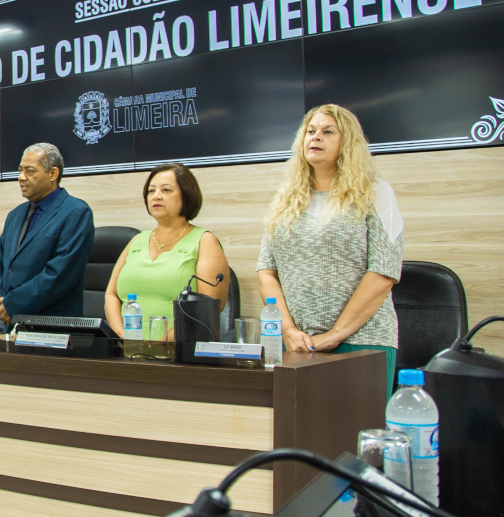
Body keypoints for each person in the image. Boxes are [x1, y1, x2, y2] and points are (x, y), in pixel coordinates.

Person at [257, 104, 403, 389]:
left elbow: (384, 271)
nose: (315, 137)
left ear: (347, 144)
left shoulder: (376, 192)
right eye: (310, 132)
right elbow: (266, 271)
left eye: (327, 132)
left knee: (357, 431)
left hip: (361, 342)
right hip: (297, 345)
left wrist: (336, 334)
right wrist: (287, 330)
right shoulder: (285, 200)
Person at [104, 164, 229, 340]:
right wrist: (120, 333)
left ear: (186, 195)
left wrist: (162, 342)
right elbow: (112, 294)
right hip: (127, 348)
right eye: (151, 191)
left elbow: (206, 309)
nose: (156, 196)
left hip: (179, 351)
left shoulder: (204, 241)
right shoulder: (136, 240)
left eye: (166, 190)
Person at [0, 143, 95, 326]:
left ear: (53, 174)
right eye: (20, 170)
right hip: (10, 320)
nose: (21, 177)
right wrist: (3, 301)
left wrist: (14, 303)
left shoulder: (76, 212)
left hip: (51, 326)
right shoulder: (15, 215)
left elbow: (60, 274)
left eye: (30, 171)